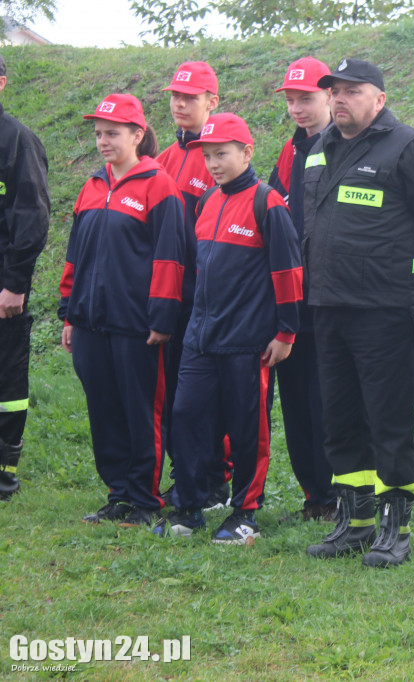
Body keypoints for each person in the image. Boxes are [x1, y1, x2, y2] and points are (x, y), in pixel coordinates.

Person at [303, 58, 414, 567]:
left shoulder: (409, 147)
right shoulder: (319, 146)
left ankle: (395, 527)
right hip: (328, 305)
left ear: (380, 98)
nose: (340, 99)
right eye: (335, 91)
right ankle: (354, 521)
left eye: (352, 91)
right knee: (341, 418)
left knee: (387, 420)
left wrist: (405, 274)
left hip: (383, 309)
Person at [152, 113, 302, 544]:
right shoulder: (207, 203)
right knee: (186, 418)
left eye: (222, 154)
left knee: (247, 428)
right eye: (208, 155)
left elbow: (289, 271)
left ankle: (245, 513)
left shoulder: (267, 203)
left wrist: (286, 333)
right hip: (200, 338)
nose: (213, 163)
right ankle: (190, 506)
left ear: (246, 152)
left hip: (248, 342)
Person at [59, 94, 186, 526]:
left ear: (137, 134)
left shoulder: (159, 185)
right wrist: (68, 312)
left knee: (141, 412)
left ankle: (145, 499)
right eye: (98, 134)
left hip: (138, 326)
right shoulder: (92, 186)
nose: (102, 141)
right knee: (104, 409)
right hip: (91, 322)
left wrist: (163, 317)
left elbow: (171, 258)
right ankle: (118, 494)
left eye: (112, 133)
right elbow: (75, 254)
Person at [155, 61, 231, 510]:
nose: (180, 104)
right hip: (172, 298)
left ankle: (216, 482)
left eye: (190, 97)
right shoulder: (164, 159)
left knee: (209, 396)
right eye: (174, 96)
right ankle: (185, 475)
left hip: (210, 300)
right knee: (174, 397)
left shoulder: (221, 159)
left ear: (212, 102)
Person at [267, 57, 336, 521]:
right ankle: (313, 494)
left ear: (330, 96)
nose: (297, 108)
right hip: (291, 300)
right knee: (295, 401)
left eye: (305, 98)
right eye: (291, 100)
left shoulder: (344, 148)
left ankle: (337, 495)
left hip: (331, 300)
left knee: (326, 400)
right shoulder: (289, 152)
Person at [0, 54, 50, 501]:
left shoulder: (16, 140)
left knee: (5, 386)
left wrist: (15, 283)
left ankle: (2, 475)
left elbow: (32, 217)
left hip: (1, 288)